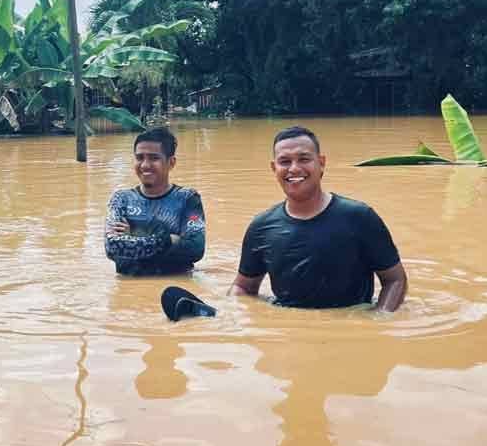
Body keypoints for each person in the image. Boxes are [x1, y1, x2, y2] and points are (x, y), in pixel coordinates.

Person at [229, 125, 407, 311]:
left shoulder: (359, 217)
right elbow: (243, 287)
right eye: (285, 162)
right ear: (274, 168)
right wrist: (233, 317)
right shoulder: (261, 227)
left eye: (304, 159)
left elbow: (395, 280)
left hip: (350, 330)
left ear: (321, 163)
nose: (294, 168)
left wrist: (380, 319)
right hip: (289, 333)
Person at [105, 127, 206, 275]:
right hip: (130, 288)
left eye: (154, 158)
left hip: (175, 285)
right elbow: (112, 248)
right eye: (140, 158)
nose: (145, 165)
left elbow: (195, 248)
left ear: (171, 163)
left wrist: (133, 238)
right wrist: (171, 239)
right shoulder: (121, 199)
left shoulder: (187, 198)